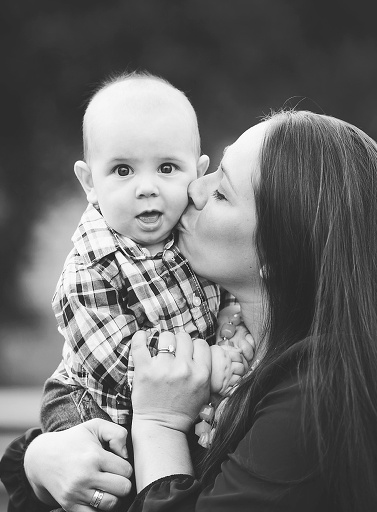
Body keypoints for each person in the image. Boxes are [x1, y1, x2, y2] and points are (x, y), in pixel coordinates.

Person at [0, 110, 377, 511]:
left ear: (274, 255)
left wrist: (158, 425)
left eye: (220, 191)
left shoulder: (319, 395)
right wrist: (40, 460)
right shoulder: (231, 343)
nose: (191, 191)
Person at [42, 71, 253, 441]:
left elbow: (227, 298)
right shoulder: (92, 267)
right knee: (105, 476)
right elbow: (121, 362)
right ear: (90, 183)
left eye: (167, 168)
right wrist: (208, 365)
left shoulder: (194, 237)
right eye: (123, 170)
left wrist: (232, 332)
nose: (146, 188)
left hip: (177, 406)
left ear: (198, 174)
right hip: (94, 403)